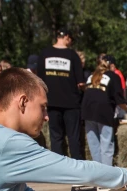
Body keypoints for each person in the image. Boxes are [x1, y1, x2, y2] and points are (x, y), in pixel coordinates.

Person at [38, 29, 85, 159]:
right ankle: (79, 171)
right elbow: (80, 83)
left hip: (52, 102)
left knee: (56, 138)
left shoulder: (44, 53)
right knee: (74, 138)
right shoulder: (72, 55)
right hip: (71, 103)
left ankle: (58, 170)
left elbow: (39, 81)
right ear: (67, 38)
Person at [81, 56, 127, 166]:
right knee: (106, 146)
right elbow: (119, 98)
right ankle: (107, 175)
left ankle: (98, 173)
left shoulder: (91, 76)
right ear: (112, 66)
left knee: (94, 146)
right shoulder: (114, 76)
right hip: (103, 111)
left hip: (87, 112)